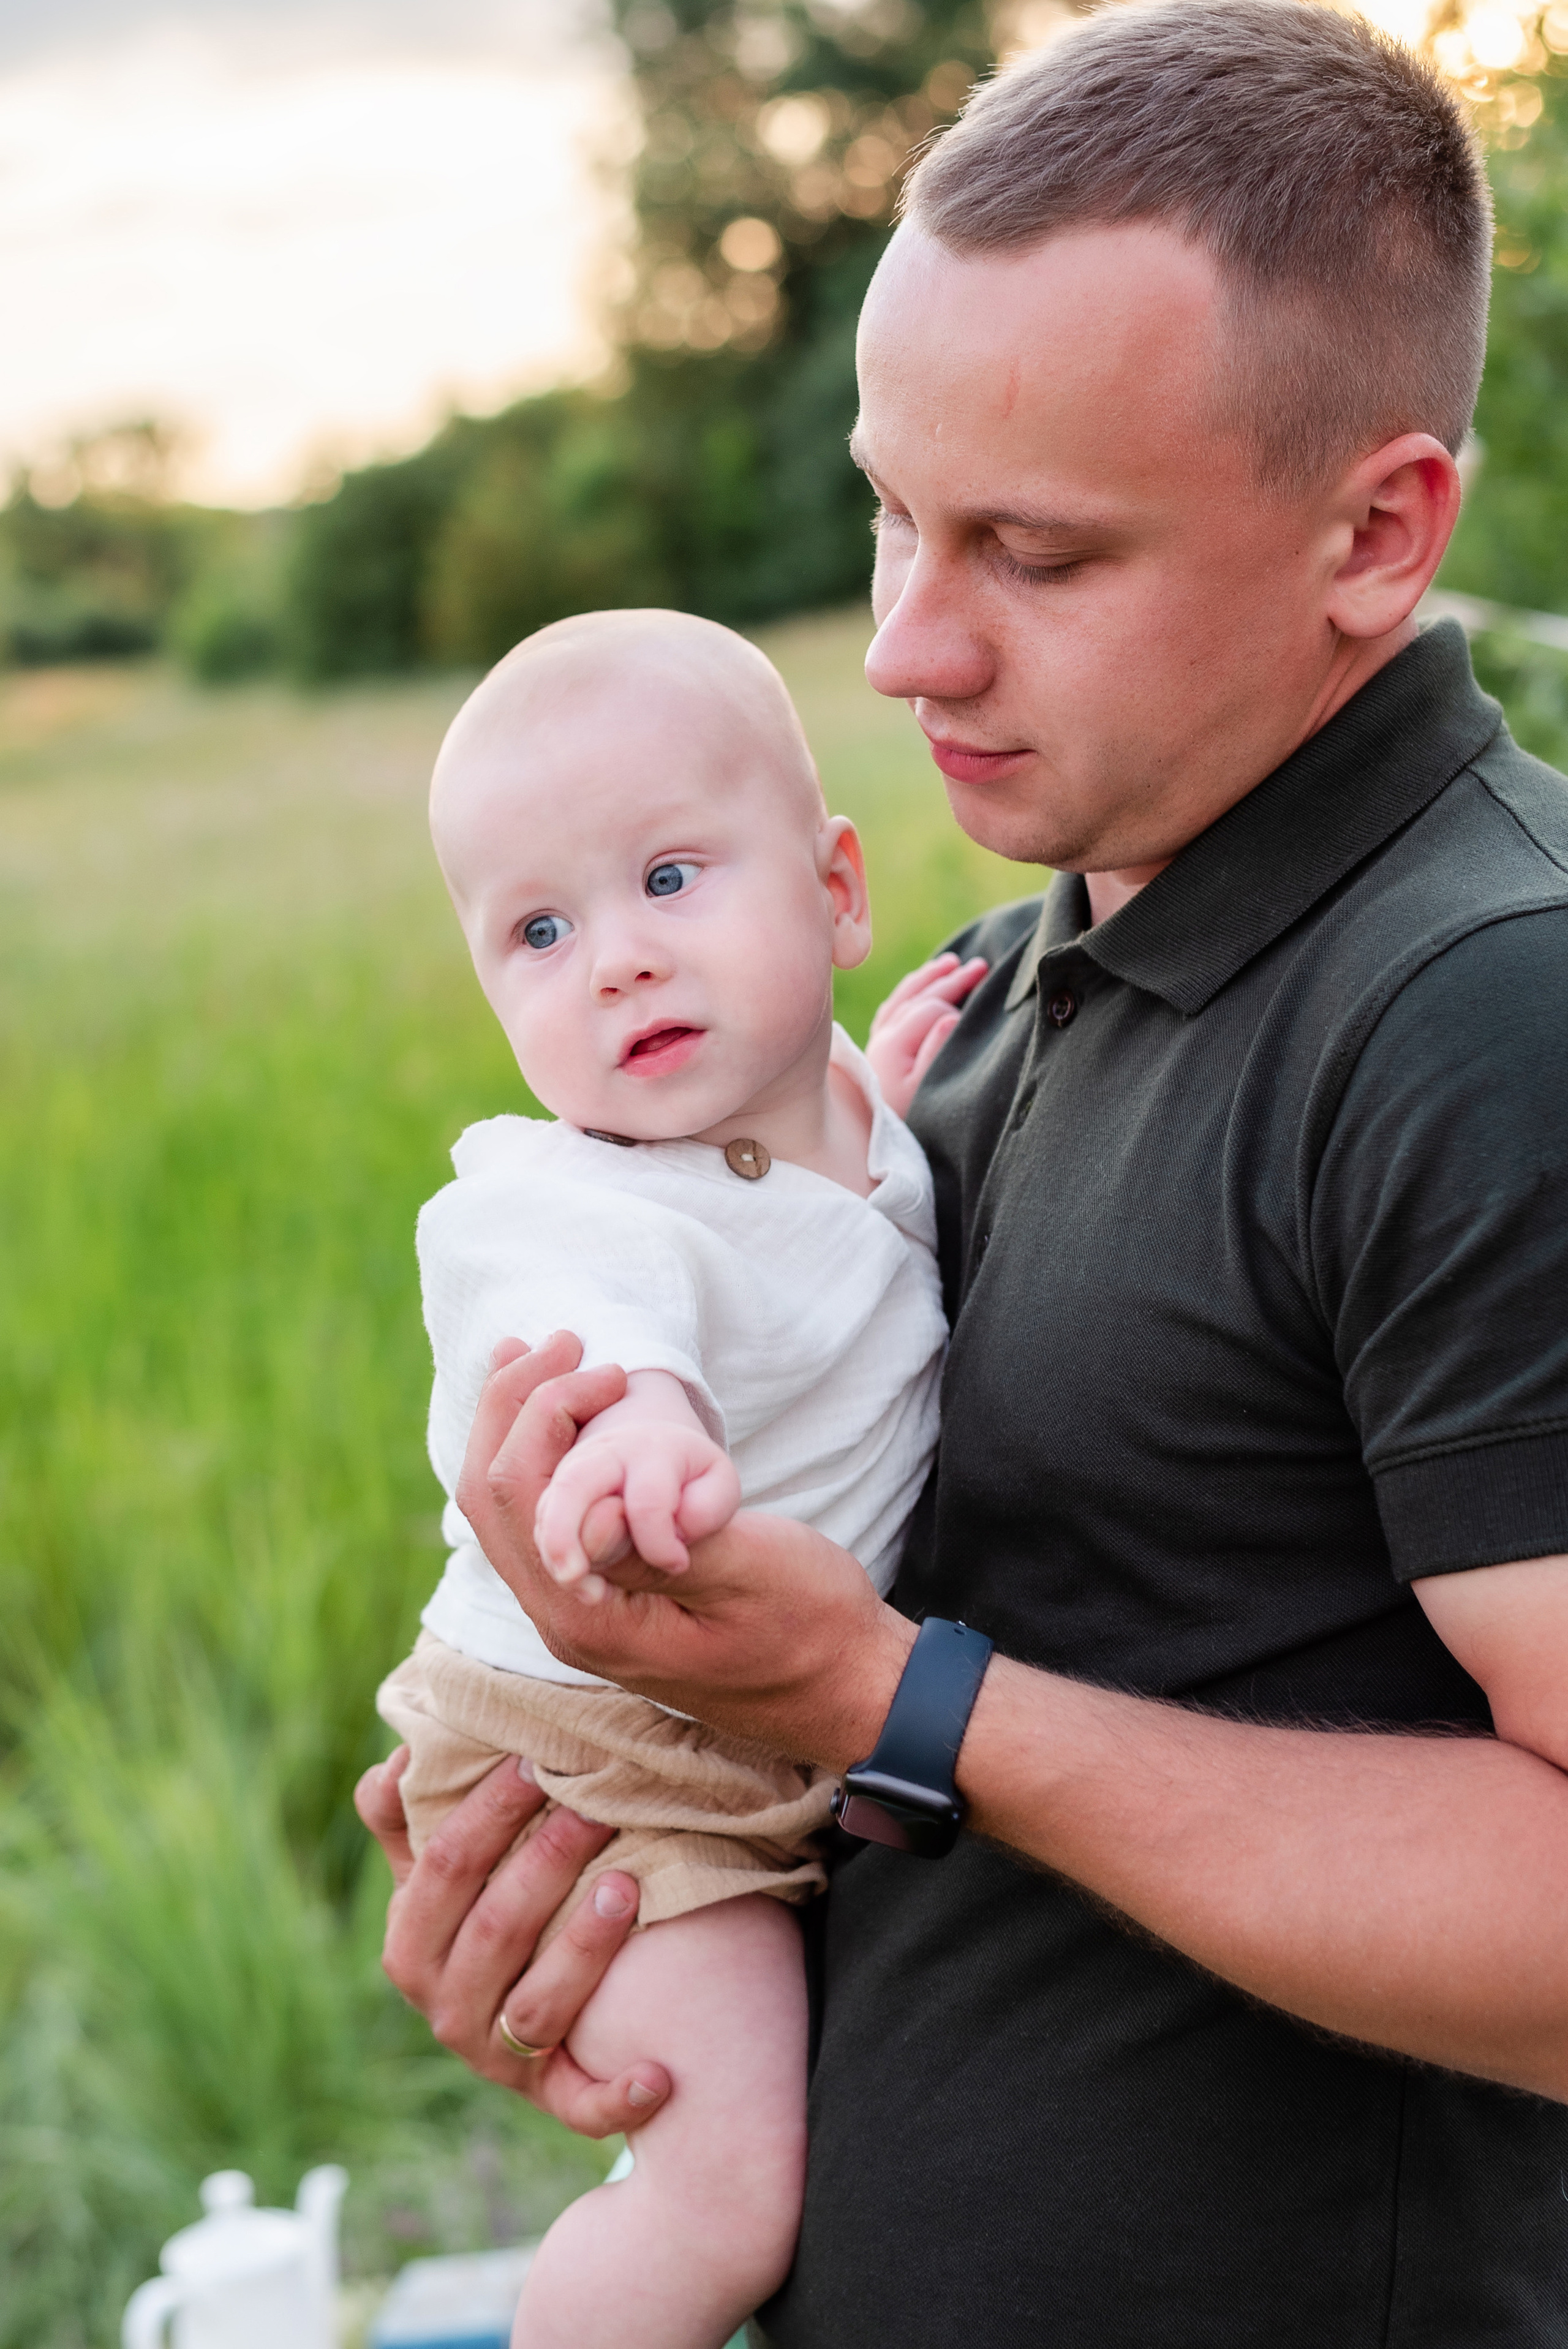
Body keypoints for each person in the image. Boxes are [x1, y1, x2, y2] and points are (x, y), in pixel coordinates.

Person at [358, 4, 1568, 2341]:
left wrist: (889, 1695)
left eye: (1034, 549)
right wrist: (588, 1884)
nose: (907, 644)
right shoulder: (989, 992)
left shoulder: (1488, 1009)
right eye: (895, 511)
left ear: (1376, 533)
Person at [374, 608, 968, 2349]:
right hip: (602, 1755)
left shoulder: (841, 1108)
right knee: (718, 2198)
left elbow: (830, 1226)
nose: (616, 963)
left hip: (756, 1726)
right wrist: (639, 1431)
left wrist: (890, 1102)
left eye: (670, 880)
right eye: (540, 931)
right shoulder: (558, 1203)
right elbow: (607, 1337)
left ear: (837, 894)